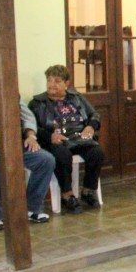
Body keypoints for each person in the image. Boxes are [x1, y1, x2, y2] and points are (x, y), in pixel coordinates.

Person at [0, 55, 54, 229]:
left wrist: (30, 135)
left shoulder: (7, 90)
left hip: (12, 144)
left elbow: (27, 115)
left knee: (45, 159)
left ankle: (31, 208)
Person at [28, 65, 104, 213]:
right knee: (62, 155)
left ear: (66, 83)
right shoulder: (37, 103)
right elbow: (32, 126)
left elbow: (94, 115)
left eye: (57, 81)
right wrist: (50, 136)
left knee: (97, 153)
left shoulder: (76, 97)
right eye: (49, 80)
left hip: (79, 137)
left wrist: (90, 127)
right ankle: (67, 194)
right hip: (55, 140)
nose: (52, 84)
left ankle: (88, 190)